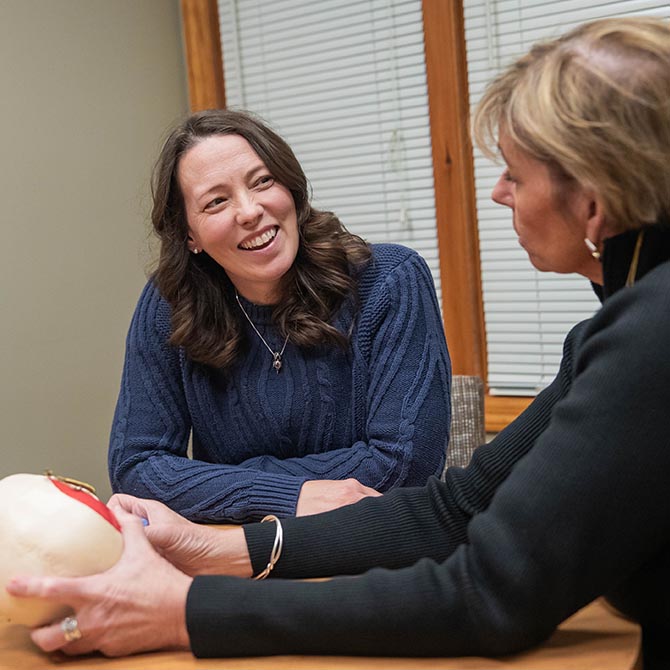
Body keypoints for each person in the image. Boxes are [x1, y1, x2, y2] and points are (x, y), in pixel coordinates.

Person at [8, 15, 670, 668]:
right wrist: (217, 549)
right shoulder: (624, 322)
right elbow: (459, 506)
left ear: (593, 201)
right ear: (187, 234)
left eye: (516, 176)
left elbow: (486, 587)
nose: (498, 193)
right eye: (214, 202)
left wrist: (188, 609)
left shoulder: (649, 330)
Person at [107, 109, 452, 522]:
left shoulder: (389, 281)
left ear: (290, 188)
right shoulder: (171, 302)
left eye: (262, 181)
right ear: (190, 235)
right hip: (230, 555)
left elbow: (406, 464)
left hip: (367, 551)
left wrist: (218, 484)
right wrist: (288, 495)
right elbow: (136, 468)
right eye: (216, 201)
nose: (249, 210)